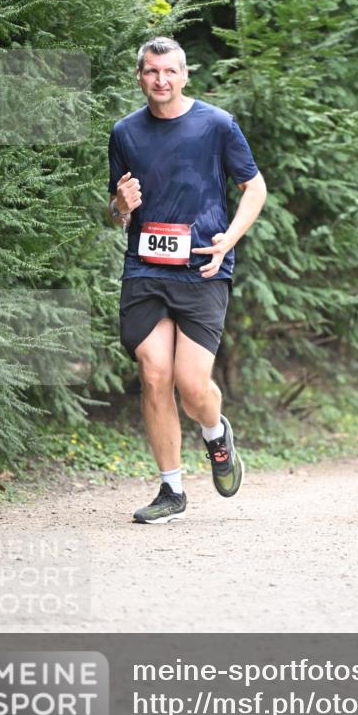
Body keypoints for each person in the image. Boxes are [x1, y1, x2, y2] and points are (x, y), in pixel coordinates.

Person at [107, 36, 267, 524]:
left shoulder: (217, 125)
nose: (161, 80)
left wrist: (228, 241)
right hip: (146, 269)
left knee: (192, 385)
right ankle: (171, 489)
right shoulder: (124, 132)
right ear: (140, 77)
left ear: (184, 74)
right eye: (152, 72)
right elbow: (117, 213)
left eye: (169, 72)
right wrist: (120, 206)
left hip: (202, 267)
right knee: (154, 375)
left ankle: (216, 434)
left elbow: (254, 188)